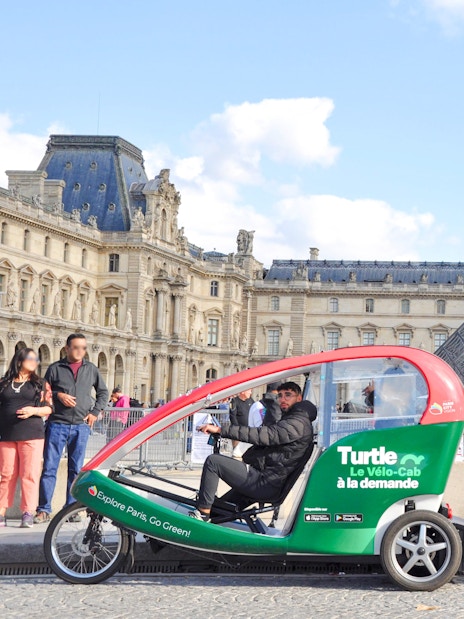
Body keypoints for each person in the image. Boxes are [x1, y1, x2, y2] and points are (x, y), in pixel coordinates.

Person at [190, 382, 316, 521]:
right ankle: (207, 519)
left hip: (265, 483)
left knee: (214, 462)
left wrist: (221, 430)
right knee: (219, 511)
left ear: (299, 398)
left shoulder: (297, 423)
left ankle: (202, 514)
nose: (283, 399)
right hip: (268, 481)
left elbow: (264, 435)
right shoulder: (295, 419)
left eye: (288, 395)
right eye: (280, 395)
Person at [34, 333, 108, 524]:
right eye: (76, 347)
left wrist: (95, 412)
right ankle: (43, 510)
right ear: (67, 348)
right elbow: (44, 391)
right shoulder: (55, 368)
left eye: (83, 348)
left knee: (75, 470)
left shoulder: (91, 369)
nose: (80, 351)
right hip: (57, 424)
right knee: (49, 468)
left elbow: (103, 392)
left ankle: (71, 509)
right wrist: (58, 395)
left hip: (80, 426)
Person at [0, 348, 53, 528]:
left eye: (36, 359)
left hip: (31, 434)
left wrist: (33, 411)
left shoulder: (40, 383)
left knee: (29, 474)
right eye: (30, 358)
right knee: (6, 474)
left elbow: (49, 408)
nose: (34, 361)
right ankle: (1, 512)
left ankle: (28, 512)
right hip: (7, 434)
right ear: (19, 360)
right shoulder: (4, 382)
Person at [229, 389, 254, 459]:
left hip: (249, 432)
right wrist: (238, 431)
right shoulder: (234, 401)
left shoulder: (251, 401)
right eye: (249, 391)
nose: (250, 393)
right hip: (238, 433)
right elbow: (233, 417)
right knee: (237, 454)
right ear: (243, 392)